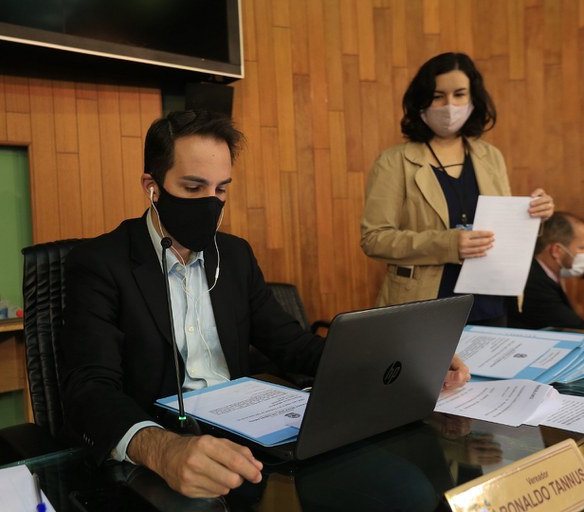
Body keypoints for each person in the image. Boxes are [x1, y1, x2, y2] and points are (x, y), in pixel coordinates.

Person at [60, 110, 471, 499]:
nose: (210, 202)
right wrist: (160, 448)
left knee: (409, 487)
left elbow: (292, 344)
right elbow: (89, 387)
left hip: (249, 444)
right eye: (193, 188)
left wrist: (406, 363)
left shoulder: (234, 256)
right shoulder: (100, 263)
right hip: (158, 456)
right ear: (152, 186)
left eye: (221, 189)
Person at [360, 52, 554, 326]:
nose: (449, 106)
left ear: (473, 99)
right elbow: (374, 239)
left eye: (459, 94)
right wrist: (448, 244)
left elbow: (502, 231)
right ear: (421, 101)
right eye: (438, 96)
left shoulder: (490, 156)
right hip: (425, 306)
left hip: (490, 302)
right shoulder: (394, 161)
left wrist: (534, 216)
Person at [508, 212, 584, 329]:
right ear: (557, 250)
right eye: (582, 248)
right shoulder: (532, 283)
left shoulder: (545, 273)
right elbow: (575, 329)